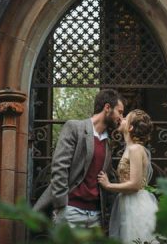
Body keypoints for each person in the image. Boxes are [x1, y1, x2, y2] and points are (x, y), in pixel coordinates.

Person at [33, 88, 125, 229]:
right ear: (107, 108)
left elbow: (109, 176)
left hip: (96, 216)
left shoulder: (107, 142)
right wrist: (61, 205)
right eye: (120, 112)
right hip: (70, 211)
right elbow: (59, 167)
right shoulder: (75, 128)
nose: (121, 118)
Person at [98, 109, 158, 243]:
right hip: (127, 202)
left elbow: (135, 184)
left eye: (125, 118)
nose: (122, 118)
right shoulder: (130, 148)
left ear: (130, 127)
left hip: (136, 204)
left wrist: (108, 185)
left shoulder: (135, 149)